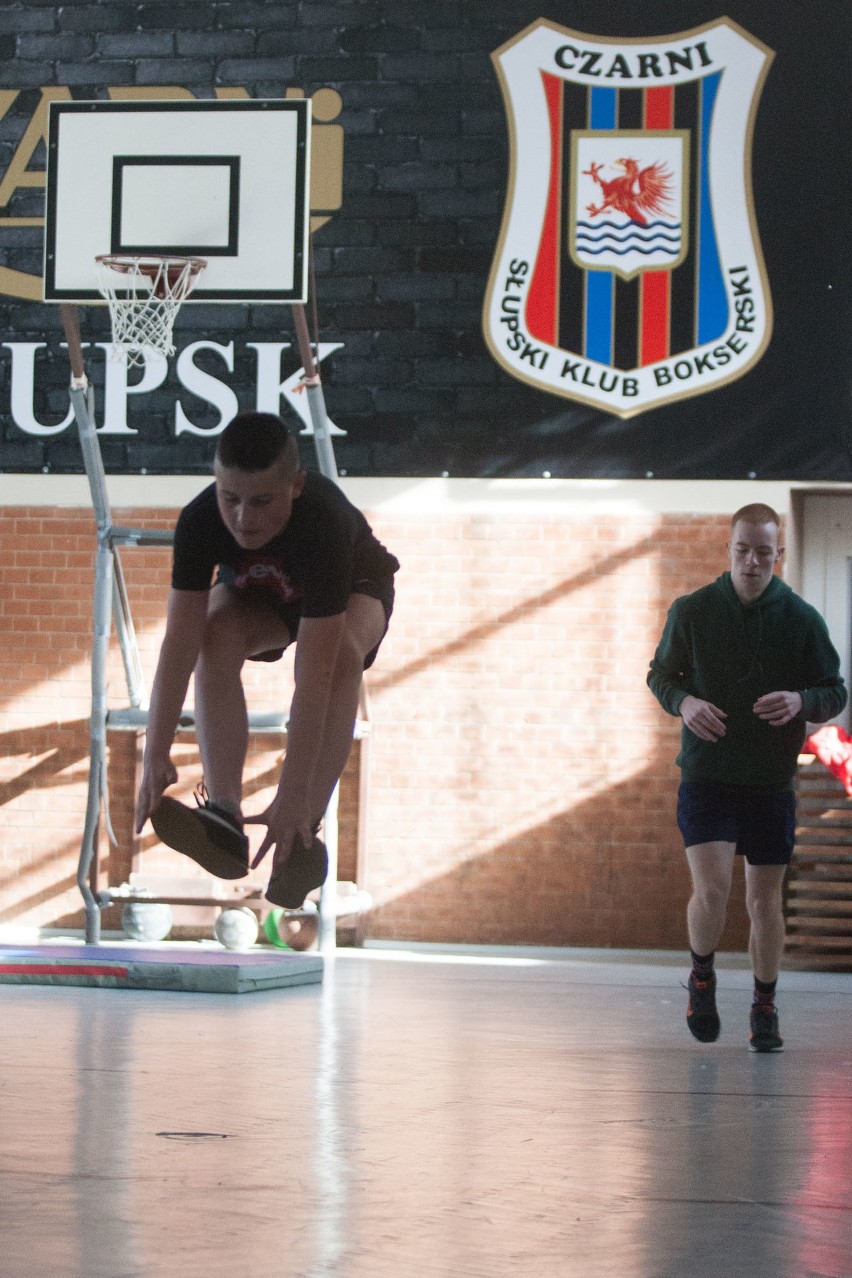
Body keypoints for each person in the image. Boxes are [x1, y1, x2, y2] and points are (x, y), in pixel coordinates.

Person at [134, 410, 399, 909]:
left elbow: (314, 678)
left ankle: (302, 831)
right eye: (229, 498)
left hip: (354, 588)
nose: (242, 518)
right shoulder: (199, 520)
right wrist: (154, 756)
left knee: (341, 656)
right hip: (260, 592)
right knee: (211, 636)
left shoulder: (324, 523)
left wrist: (294, 791)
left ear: (295, 486)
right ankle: (224, 816)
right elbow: (178, 645)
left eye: (261, 501)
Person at [647, 503, 846, 1051]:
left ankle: (764, 1004)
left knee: (764, 902)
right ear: (729, 549)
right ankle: (702, 977)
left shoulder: (802, 620)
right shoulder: (693, 611)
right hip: (708, 776)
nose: (753, 562)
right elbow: (660, 675)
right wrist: (684, 702)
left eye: (764, 552)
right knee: (712, 892)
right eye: (743, 550)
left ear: (778, 554)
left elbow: (834, 691)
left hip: (769, 782)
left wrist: (803, 700)